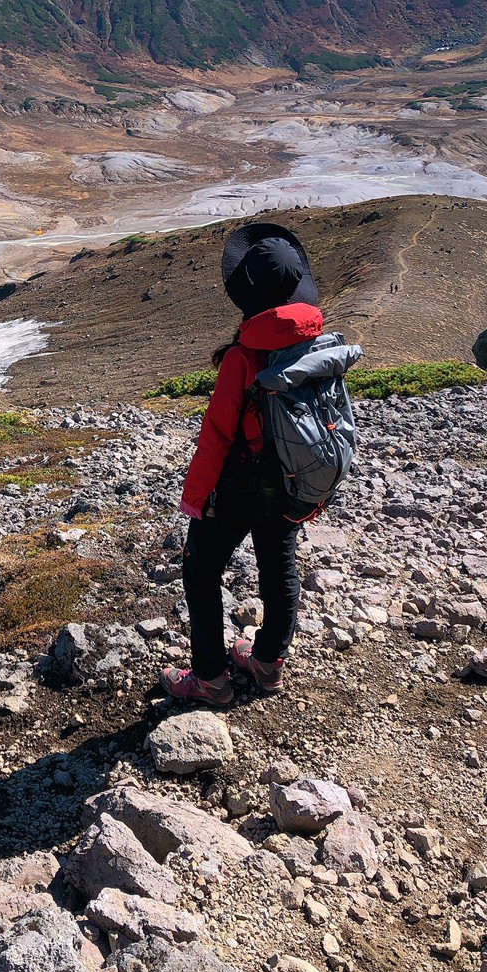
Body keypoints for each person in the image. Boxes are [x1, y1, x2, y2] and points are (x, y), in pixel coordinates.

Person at [162, 222, 324, 706]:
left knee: (201, 570)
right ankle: (268, 662)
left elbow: (215, 438)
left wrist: (194, 501)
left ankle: (210, 677)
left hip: (238, 487)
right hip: (292, 481)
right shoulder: (317, 343)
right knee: (280, 567)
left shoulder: (243, 357)